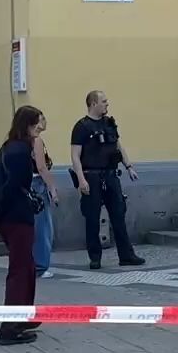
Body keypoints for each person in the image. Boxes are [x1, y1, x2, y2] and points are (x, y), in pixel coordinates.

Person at [0, 106, 49, 347]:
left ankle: (24, 316)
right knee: (20, 271)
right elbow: (11, 187)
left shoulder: (6, 149)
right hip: (17, 217)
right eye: (39, 123)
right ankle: (10, 328)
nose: (42, 127)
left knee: (27, 267)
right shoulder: (21, 151)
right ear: (28, 125)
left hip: (8, 216)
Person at [70, 91, 144, 269]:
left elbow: (118, 146)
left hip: (111, 175)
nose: (107, 104)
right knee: (92, 218)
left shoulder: (109, 123)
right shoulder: (82, 127)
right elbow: (75, 156)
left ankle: (126, 255)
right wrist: (81, 180)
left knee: (118, 215)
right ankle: (95, 257)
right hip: (91, 176)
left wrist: (129, 167)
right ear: (93, 103)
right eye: (104, 101)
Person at [28, 118, 60, 277]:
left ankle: (30, 264)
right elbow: (41, 166)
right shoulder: (36, 140)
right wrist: (52, 188)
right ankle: (40, 266)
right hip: (37, 184)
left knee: (31, 228)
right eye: (41, 119)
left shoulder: (18, 140)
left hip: (26, 184)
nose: (45, 122)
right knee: (43, 227)